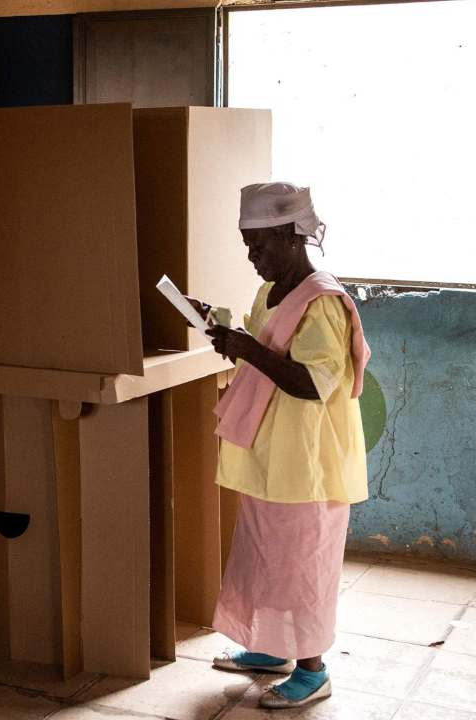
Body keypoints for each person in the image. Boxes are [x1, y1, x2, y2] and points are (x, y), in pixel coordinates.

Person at [191, 182, 371, 709]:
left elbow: (314, 383)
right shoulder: (271, 291)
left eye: (261, 245)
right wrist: (226, 334)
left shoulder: (323, 301)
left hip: (307, 461)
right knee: (263, 556)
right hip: (268, 452)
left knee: (300, 565)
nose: (253, 258)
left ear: (294, 237)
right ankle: (272, 650)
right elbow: (262, 352)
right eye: (247, 246)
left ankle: (313, 671)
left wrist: (248, 348)